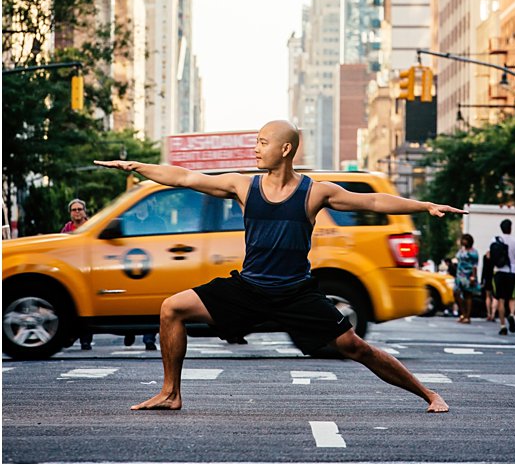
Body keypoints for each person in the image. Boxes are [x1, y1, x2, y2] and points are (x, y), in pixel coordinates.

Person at [95, 119, 464, 413]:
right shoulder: (243, 186)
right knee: (171, 308)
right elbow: (187, 178)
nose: (255, 148)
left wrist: (424, 205)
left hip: (296, 293)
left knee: (357, 347)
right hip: (249, 288)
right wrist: (137, 166)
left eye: (262, 142)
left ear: (285, 148)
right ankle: (170, 393)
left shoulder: (315, 192)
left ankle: (429, 393)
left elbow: (372, 201)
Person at [122, 199, 167, 351]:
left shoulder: (158, 221)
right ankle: (130, 331)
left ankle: (149, 338)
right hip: (130, 268)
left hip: (151, 267)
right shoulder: (127, 221)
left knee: (150, 305)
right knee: (131, 303)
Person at [61, 199, 94, 351]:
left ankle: (86, 341)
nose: (77, 212)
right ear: (70, 213)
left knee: (87, 306)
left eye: (80, 209)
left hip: (89, 270)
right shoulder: (66, 229)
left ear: (84, 211)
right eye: (74, 210)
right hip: (72, 271)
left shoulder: (92, 227)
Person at [487, 218, 515, 336]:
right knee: (512, 298)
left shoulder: (495, 240)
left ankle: (502, 326)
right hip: (512, 272)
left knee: (500, 299)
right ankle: (511, 314)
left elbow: (489, 255)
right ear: (510, 228)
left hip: (499, 272)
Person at [453, 234, 479, 324]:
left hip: (468, 275)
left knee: (468, 295)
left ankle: (467, 316)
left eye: (465, 240)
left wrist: (473, 276)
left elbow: (475, 265)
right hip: (459, 275)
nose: (463, 241)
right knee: (456, 293)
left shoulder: (473, 252)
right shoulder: (462, 250)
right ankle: (463, 313)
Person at [480, 251, 497, 321]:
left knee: (488, 296)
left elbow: (484, 268)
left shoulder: (486, 256)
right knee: (495, 297)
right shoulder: (498, 255)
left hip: (487, 277)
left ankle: (488, 314)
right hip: (496, 277)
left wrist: (482, 279)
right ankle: (493, 314)